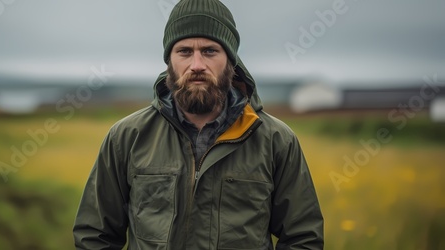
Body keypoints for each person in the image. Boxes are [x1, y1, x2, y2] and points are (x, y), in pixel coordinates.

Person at [73, 0, 324, 249]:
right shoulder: (126, 137)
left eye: (209, 51)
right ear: (169, 60)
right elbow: (95, 236)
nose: (196, 65)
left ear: (231, 60)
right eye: (184, 51)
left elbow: (303, 238)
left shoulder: (276, 140)